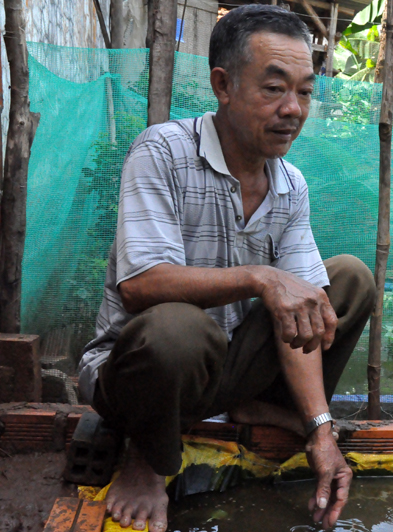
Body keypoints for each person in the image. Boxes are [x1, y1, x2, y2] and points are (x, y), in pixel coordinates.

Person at [77, 6, 376, 531]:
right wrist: (262, 277)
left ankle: (260, 408)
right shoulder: (163, 151)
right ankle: (148, 459)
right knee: (177, 328)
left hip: (222, 369)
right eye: (274, 89)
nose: (293, 110)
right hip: (137, 377)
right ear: (223, 84)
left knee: (347, 280)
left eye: (305, 92)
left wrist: (321, 429)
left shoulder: (290, 184)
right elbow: (140, 286)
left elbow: (302, 313)